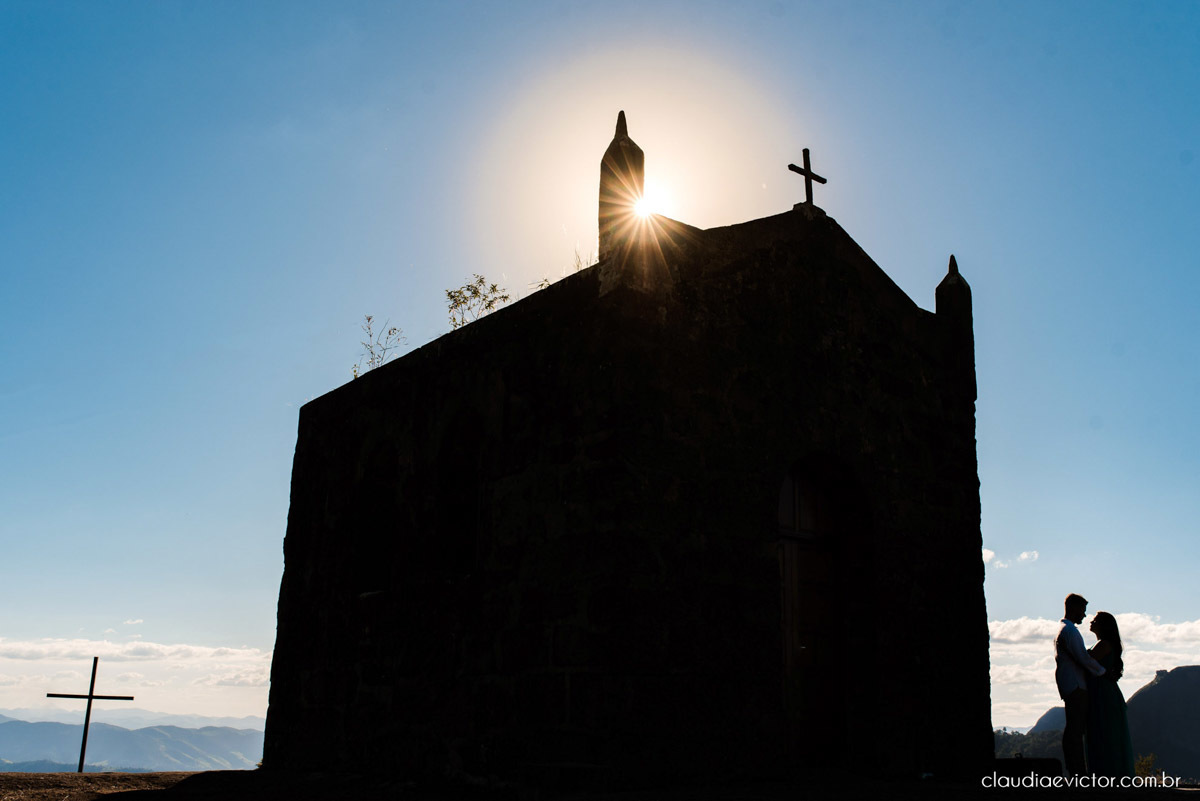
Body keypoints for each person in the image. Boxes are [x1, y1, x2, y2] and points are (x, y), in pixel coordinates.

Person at [1055, 593, 1106, 777]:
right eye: (1082, 611)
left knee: (1074, 729)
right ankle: (1078, 771)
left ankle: (1076, 769)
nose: (1084, 615)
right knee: (1075, 730)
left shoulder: (1064, 629)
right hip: (1076, 686)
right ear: (1074, 608)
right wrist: (1103, 672)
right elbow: (1083, 659)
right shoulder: (1070, 631)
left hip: (1070, 685)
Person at [1085, 612, 1135, 777]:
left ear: (1103, 625)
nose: (1091, 621)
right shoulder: (1103, 644)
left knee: (1104, 733)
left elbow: (1084, 661)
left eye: (1095, 620)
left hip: (1102, 694)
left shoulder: (1104, 645)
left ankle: (1107, 774)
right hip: (1102, 692)